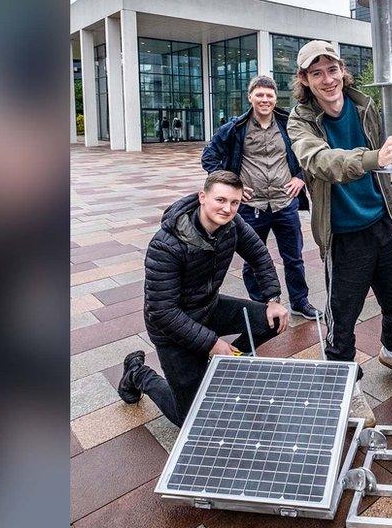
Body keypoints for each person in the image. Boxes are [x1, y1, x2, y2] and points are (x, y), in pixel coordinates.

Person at [286, 40, 392, 427]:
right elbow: (321, 162)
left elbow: (384, 160)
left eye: (332, 70)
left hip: (381, 222)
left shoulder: (365, 106)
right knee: (343, 316)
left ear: (342, 70)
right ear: (305, 80)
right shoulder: (300, 120)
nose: (328, 80)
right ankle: (346, 380)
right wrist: (375, 158)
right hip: (343, 233)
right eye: (317, 73)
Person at [117, 171, 291, 427]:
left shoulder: (232, 225)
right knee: (188, 418)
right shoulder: (166, 244)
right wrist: (213, 344)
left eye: (234, 202)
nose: (228, 208)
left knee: (272, 320)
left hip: (209, 307)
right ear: (202, 197)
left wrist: (273, 298)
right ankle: (138, 373)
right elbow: (162, 311)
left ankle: (224, 368)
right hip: (171, 329)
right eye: (220, 200)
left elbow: (259, 255)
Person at [201, 75, 321, 320]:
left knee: (294, 258)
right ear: (250, 97)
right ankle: (262, 305)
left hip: (284, 204)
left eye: (269, 95)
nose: (265, 99)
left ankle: (300, 301)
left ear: (276, 98)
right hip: (251, 208)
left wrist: (300, 177)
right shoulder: (235, 128)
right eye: (259, 95)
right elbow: (209, 157)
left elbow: (311, 154)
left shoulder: (290, 123)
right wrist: (232, 188)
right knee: (253, 260)